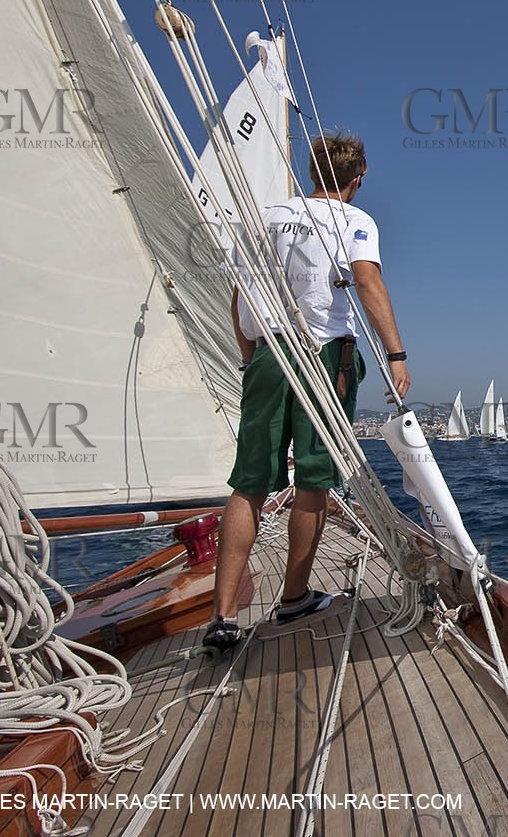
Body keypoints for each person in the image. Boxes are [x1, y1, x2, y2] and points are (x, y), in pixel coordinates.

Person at [203, 132, 411, 651]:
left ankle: (223, 616)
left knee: (249, 483)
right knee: (314, 479)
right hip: (323, 356)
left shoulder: (266, 217)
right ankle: (293, 597)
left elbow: (239, 294)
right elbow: (367, 282)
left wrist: (252, 357)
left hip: (268, 351)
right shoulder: (356, 221)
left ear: (313, 171)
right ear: (357, 179)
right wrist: (396, 353)